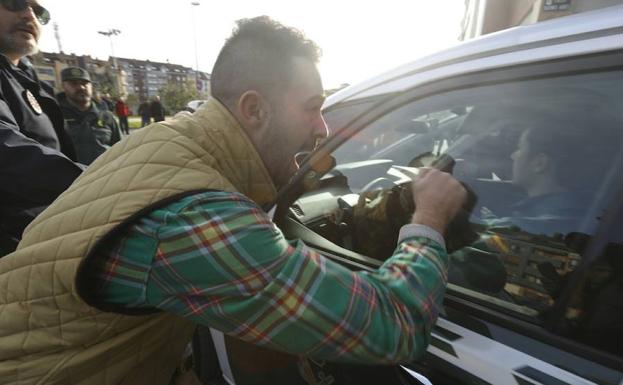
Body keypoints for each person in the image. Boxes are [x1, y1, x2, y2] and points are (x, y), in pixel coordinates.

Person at [0, 16, 467, 385]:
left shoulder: (166, 145)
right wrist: (429, 218)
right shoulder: (195, 216)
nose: (323, 128)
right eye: (312, 106)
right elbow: (396, 325)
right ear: (254, 109)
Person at [0, 0, 82, 255]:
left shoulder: (30, 81)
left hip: (44, 241)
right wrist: (102, 178)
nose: (29, 15)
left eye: (39, 12)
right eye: (14, 3)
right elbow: (9, 154)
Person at [57, 66, 122, 164]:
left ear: (91, 86)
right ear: (63, 86)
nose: (81, 87)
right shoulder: (54, 115)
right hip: (73, 177)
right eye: (74, 84)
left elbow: (120, 149)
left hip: (104, 175)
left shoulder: (106, 116)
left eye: (84, 83)